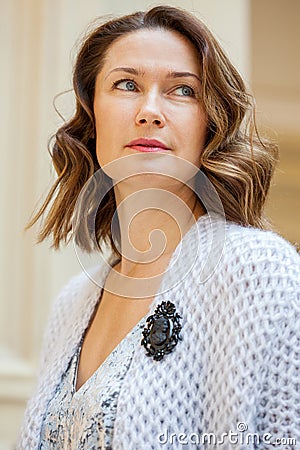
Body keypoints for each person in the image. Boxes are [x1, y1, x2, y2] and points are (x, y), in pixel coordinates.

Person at [18, 5, 299, 450]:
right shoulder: (72, 304)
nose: (150, 111)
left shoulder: (260, 272)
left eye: (183, 90)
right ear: (93, 116)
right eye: (126, 85)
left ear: (210, 123)